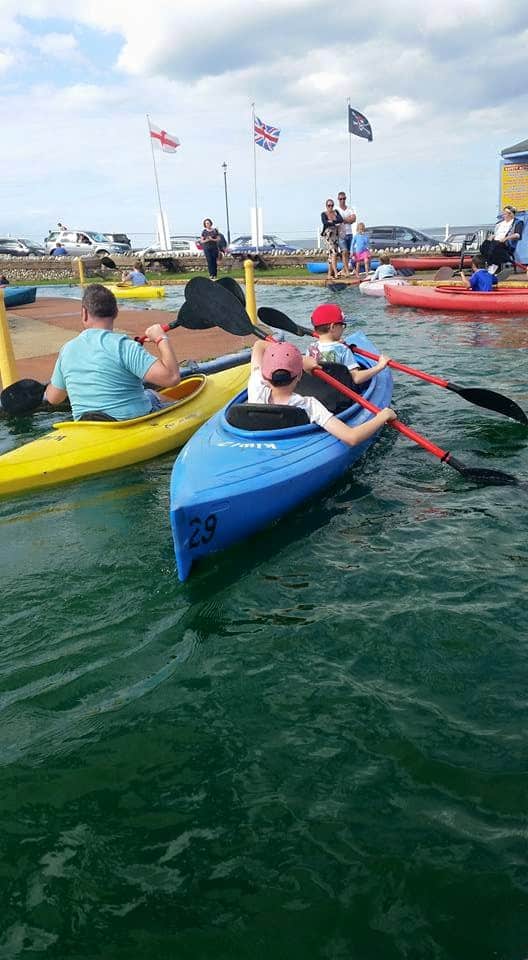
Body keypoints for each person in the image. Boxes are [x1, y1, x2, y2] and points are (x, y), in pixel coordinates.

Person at [44, 284, 180, 421]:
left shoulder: (67, 349)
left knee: (150, 393)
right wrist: (160, 338)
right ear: (116, 312)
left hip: (86, 426)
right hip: (130, 423)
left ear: (84, 313)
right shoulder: (125, 346)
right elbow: (172, 378)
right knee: (153, 395)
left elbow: (53, 398)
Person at [248, 339, 395, 445]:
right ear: (300, 375)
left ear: (265, 375)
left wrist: (298, 358)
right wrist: (383, 416)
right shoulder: (308, 405)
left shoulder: (256, 385)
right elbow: (352, 438)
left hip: (262, 439)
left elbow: (259, 345)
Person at [307, 304, 390, 383]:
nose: (343, 329)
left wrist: (335, 343)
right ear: (333, 327)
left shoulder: (311, 348)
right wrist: (380, 366)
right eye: (342, 325)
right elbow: (357, 378)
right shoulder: (343, 350)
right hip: (340, 395)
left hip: (318, 392)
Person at [480, 205, 523, 274]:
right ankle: (493, 264)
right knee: (483, 247)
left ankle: (494, 266)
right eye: (504, 213)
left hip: (506, 244)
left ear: (511, 214)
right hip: (495, 242)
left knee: (495, 246)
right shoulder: (499, 224)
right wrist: (491, 237)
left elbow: (517, 235)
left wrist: (506, 238)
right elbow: (496, 233)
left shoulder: (517, 222)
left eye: (506, 213)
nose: (504, 215)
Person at [320, 200, 343, 279]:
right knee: (334, 253)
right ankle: (336, 273)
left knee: (332, 255)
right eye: (329, 205)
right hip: (328, 235)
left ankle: (329, 274)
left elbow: (341, 220)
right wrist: (334, 222)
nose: (330, 207)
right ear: (326, 206)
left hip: (335, 235)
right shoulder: (324, 214)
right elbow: (325, 222)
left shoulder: (336, 212)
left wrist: (331, 221)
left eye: (332, 205)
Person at [336, 191, 357, 277]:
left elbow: (353, 219)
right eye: (341, 199)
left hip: (349, 233)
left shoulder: (350, 209)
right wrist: (347, 219)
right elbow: (337, 220)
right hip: (341, 234)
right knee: (344, 252)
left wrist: (343, 220)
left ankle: (346, 269)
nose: (342, 200)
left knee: (350, 252)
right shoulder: (336, 210)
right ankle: (346, 270)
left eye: (344, 198)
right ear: (338, 199)